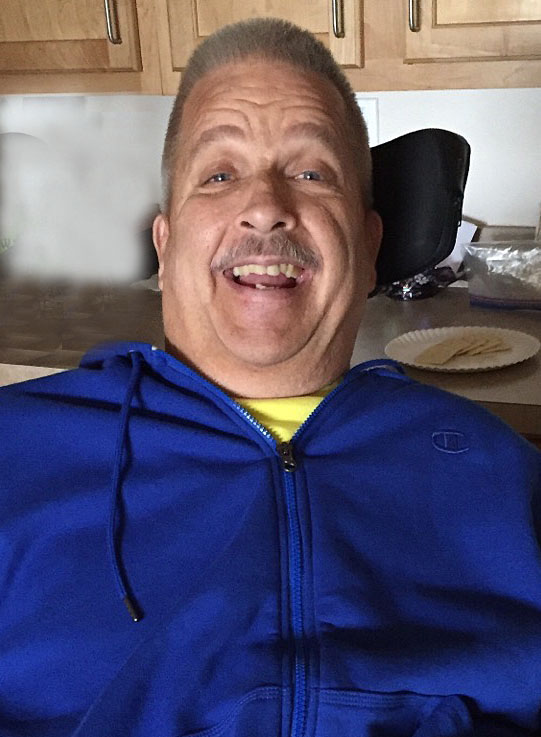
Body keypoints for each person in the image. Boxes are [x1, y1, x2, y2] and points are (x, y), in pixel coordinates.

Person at [0, 17, 540, 737]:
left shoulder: (503, 476)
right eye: (219, 175)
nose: (264, 207)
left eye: (311, 174)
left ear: (368, 246)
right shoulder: (15, 452)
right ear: (166, 244)